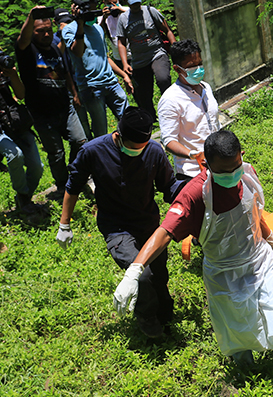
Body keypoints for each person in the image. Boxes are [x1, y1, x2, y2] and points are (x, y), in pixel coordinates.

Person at [112, 129, 273, 397]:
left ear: (242, 157)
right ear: (206, 164)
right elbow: (165, 231)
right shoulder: (194, 194)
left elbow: (254, 213)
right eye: (222, 172)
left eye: (234, 167)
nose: (231, 175)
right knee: (237, 332)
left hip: (260, 263)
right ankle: (249, 379)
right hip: (224, 274)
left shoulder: (247, 174)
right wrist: (135, 270)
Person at [56, 107, 185, 338]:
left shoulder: (153, 151)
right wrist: (64, 224)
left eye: (142, 147)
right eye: (133, 147)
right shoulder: (93, 151)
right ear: (118, 135)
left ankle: (164, 314)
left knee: (159, 275)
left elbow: (169, 187)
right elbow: (73, 186)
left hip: (148, 223)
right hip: (116, 228)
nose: (138, 151)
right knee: (142, 276)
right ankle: (147, 318)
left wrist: (193, 191)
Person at [15, 5, 87, 199]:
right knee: (56, 154)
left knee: (81, 142)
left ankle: (74, 174)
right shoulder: (27, 50)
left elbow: (64, 72)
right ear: (33, 32)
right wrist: (31, 16)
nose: (46, 34)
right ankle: (63, 187)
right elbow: (22, 39)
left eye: (48, 30)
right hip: (41, 113)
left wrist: (74, 93)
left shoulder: (55, 47)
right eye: (40, 31)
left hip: (65, 107)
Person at [0, 25, 44, 213]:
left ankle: (23, 198)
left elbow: (21, 94)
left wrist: (12, 74)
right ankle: (25, 199)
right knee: (14, 154)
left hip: (14, 119)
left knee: (37, 167)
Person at [62, 0, 132, 138]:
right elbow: (78, 52)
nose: (91, 14)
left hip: (111, 83)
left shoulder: (98, 28)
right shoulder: (69, 30)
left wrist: (124, 75)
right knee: (101, 131)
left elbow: (105, 57)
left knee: (129, 120)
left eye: (94, 10)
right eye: (88, 10)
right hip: (91, 87)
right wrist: (79, 24)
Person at [158, 39, 220, 181]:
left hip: (218, 165)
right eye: (192, 66)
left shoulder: (206, 88)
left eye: (199, 64)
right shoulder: (170, 100)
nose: (198, 69)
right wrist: (194, 154)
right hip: (192, 172)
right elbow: (169, 141)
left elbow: (214, 124)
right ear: (177, 69)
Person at [116, 0, 176, 122]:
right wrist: (125, 63)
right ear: (126, 2)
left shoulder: (150, 11)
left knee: (163, 79)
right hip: (138, 60)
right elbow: (121, 43)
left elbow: (167, 30)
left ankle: (171, 110)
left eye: (137, 2)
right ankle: (151, 120)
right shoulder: (123, 19)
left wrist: (175, 49)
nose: (136, 5)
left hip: (157, 53)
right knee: (143, 94)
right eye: (132, 3)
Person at [53, 7, 92, 141]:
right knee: (82, 122)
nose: (66, 25)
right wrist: (63, 37)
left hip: (83, 80)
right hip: (70, 86)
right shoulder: (53, 40)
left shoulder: (76, 32)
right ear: (55, 23)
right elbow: (58, 61)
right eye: (63, 22)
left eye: (68, 21)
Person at [99, 0, 129, 67]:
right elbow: (99, 33)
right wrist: (104, 18)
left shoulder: (127, 10)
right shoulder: (102, 18)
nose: (112, 6)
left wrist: (120, 11)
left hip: (134, 53)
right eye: (109, 4)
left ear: (118, 0)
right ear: (104, 3)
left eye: (114, 2)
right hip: (118, 57)